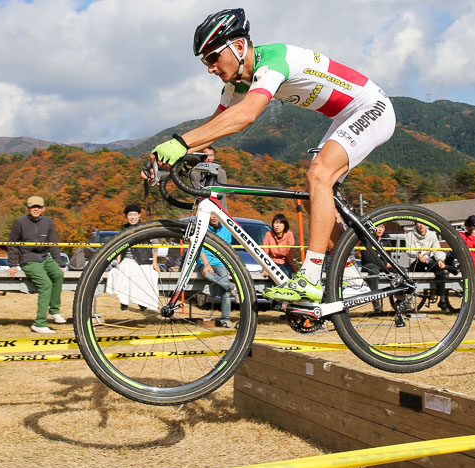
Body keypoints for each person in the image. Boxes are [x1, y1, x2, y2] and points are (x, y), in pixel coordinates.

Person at [147, 8, 396, 303]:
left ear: (238, 47)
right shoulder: (237, 83)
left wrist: (180, 143)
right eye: (205, 62)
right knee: (312, 199)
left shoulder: (273, 62)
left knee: (318, 174)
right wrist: (168, 157)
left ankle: (311, 278)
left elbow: (247, 115)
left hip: (372, 108)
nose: (210, 68)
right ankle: (352, 277)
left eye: (213, 58)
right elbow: (213, 129)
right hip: (344, 117)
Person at [7, 196, 66, 333]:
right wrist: (12, 264)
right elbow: (12, 243)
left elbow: (54, 244)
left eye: (39, 207)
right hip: (28, 259)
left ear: (43, 208)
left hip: (44, 258)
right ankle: (39, 323)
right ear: (28, 208)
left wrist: (58, 263)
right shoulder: (19, 222)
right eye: (33, 207)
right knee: (46, 284)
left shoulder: (48, 222)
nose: (36, 209)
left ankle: (54, 310)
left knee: (58, 274)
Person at [106, 204, 161, 311]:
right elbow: (118, 245)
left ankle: (142, 302)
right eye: (130, 215)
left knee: (143, 275)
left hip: (143, 259)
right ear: (126, 216)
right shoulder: (124, 229)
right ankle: (124, 301)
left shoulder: (145, 227)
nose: (132, 217)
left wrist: (154, 261)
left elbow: (155, 243)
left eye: (135, 215)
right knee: (124, 270)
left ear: (139, 215)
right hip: (128, 259)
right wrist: (118, 258)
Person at [406, 221, 456, 313]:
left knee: (440, 270)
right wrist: (418, 255)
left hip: (429, 262)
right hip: (416, 263)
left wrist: (440, 260)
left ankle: (442, 300)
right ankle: (448, 268)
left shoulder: (432, 235)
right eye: (419, 223)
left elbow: (436, 250)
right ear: (415, 224)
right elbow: (409, 251)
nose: (421, 225)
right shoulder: (410, 235)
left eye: (423, 223)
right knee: (426, 260)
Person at [199, 213, 238, 328]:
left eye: (216, 214)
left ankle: (225, 319)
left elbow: (227, 249)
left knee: (225, 292)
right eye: (211, 214)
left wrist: (228, 266)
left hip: (221, 263)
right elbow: (200, 247)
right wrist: (206, 264)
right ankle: (231, 286)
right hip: (206, 261)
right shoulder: (203, 228)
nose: (214, 217)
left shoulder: (226, 230)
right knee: (208, 274)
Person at [262, 213, 297, 278]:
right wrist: (265, 269)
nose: (277, 226)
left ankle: (285, 288)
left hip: (285, 262)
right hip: (272, 262)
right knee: (275, 275)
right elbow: (264, 253)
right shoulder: (268, 234)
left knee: (286, 272)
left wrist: (294, 268)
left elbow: (290, 254)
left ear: (285, 225)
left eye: (280, 223)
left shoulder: (289, 234)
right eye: (275, 223)